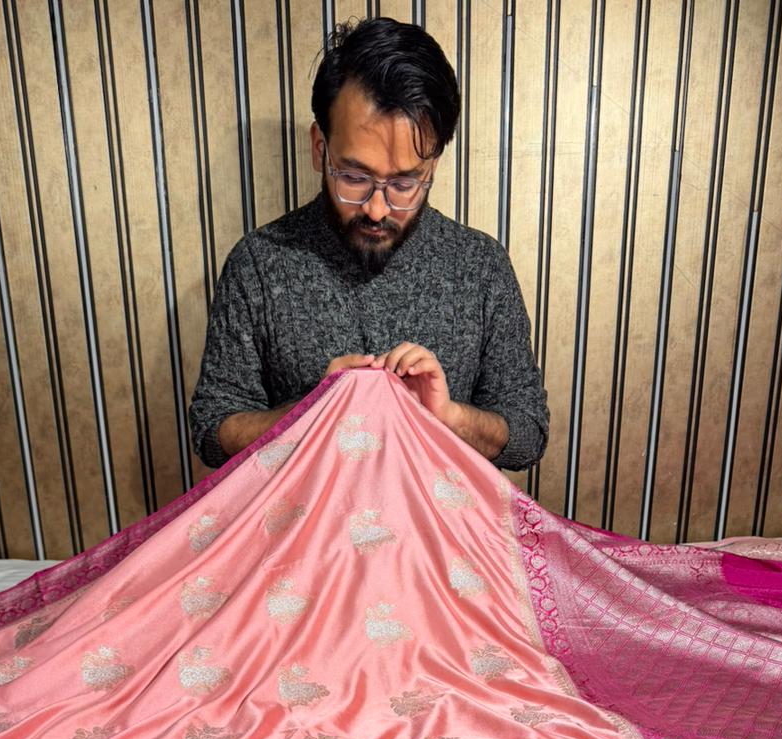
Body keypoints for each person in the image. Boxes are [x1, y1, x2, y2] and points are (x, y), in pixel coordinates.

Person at [188, 17, 549, 473]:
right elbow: (211, 428)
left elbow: (527, 434)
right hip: (303, 536)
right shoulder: (259, 263)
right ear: (321, 148)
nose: (378, 209)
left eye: (405, 182)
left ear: (433, 163)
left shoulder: (480, 266)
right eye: (355, 177)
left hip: (442, 538)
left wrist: (448, 418)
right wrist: (310, 413)